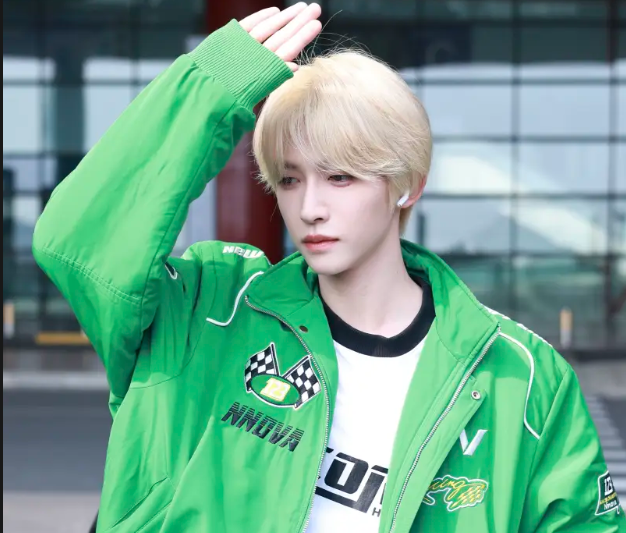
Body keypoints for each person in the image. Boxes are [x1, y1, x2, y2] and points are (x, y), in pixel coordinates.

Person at [33, 4, 624, 533]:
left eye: (340, 177)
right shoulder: (208, 313)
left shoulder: (520, 376)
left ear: (406, 185)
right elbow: (81, 247)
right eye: (290, 179)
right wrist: (211, 87)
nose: (309, 207)